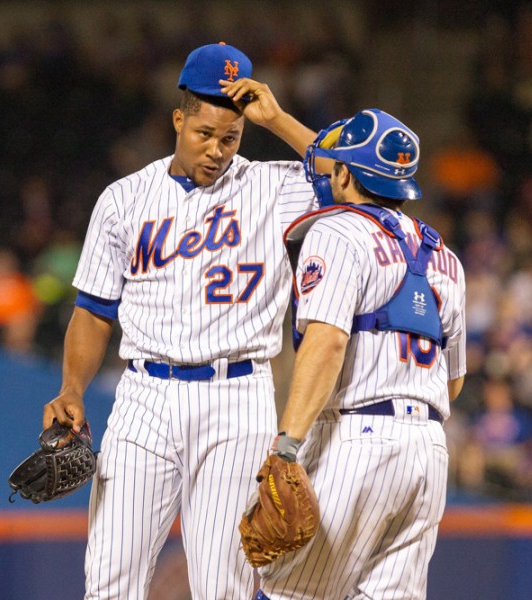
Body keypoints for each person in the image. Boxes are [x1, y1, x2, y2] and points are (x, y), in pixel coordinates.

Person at [41, 42, 324, 599]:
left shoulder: (273, 185)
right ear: (178, 119)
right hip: (145, 395)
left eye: (231, 137)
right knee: (109, 579)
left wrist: (279, 119)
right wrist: (72, 386)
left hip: (238, 395)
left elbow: (352, 179)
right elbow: (94, 310)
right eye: (205, 134)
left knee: (225, 587)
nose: (217, 150)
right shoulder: (124, 199)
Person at [254, 108, 467, 599]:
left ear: (346, 173)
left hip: (357, 437)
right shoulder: (445, 257)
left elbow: (327, 343)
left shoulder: (337, 230)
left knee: (288, 592)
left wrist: (287, 445)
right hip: (428, 451)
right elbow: (452, 382)